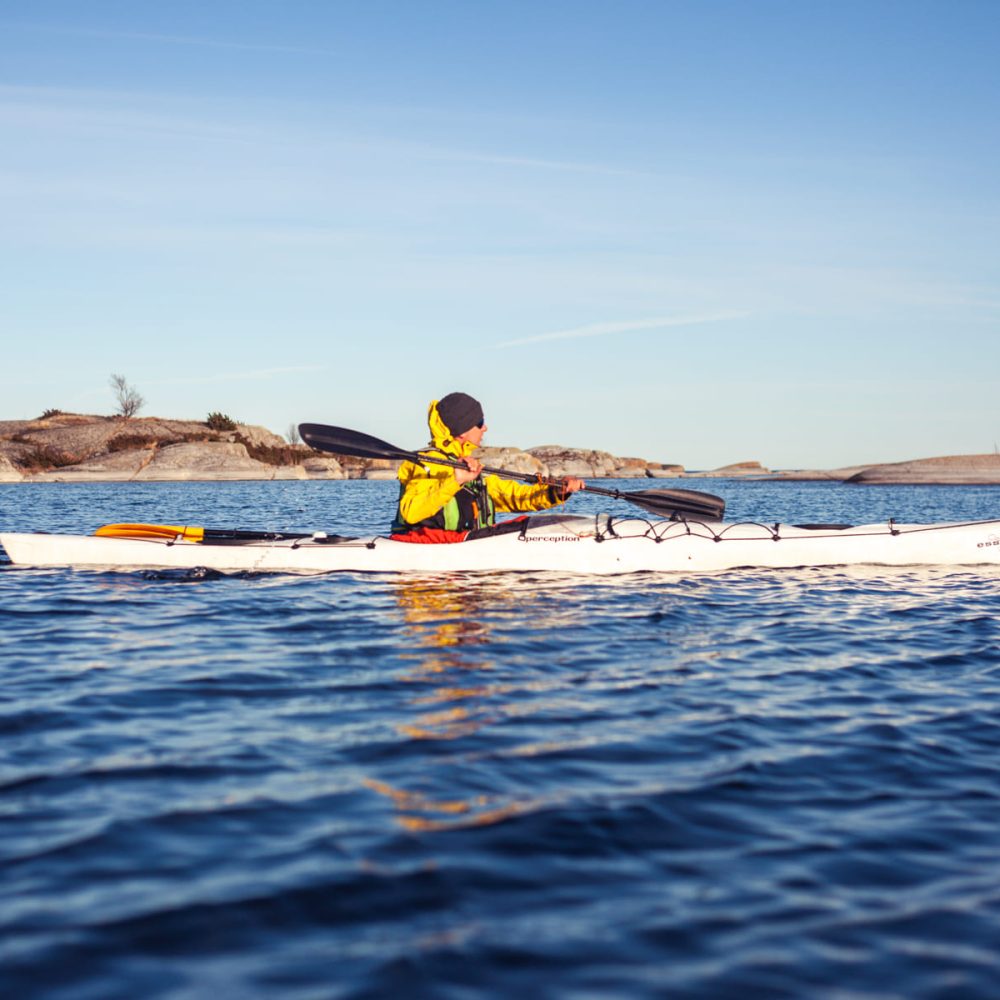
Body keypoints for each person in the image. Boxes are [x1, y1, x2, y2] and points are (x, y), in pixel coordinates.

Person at [391, 392, 584, 543]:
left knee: (529, 524)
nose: (485, 428)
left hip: (465, 551)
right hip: (430, 554)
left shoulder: (468, 464)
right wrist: (455, 481)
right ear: (461, 432)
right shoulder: (427, 463)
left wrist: (557, 492)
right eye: (480, 423)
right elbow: (411, 512)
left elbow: (513, 496)